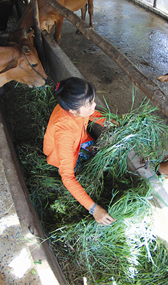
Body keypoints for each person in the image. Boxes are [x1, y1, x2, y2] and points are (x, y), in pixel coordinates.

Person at [43, 77, 116, 225]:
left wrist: (108, 122)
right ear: (72, 110)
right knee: (80, 174)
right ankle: (60, 167)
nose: (94, 105)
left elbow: (90, 114)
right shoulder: (63, 131)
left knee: (100, 156)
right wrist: (94, 209)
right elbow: (68, 177)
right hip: (62, 151)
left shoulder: (76, 109)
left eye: (93, 101)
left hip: (79, 139)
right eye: (89, 104)